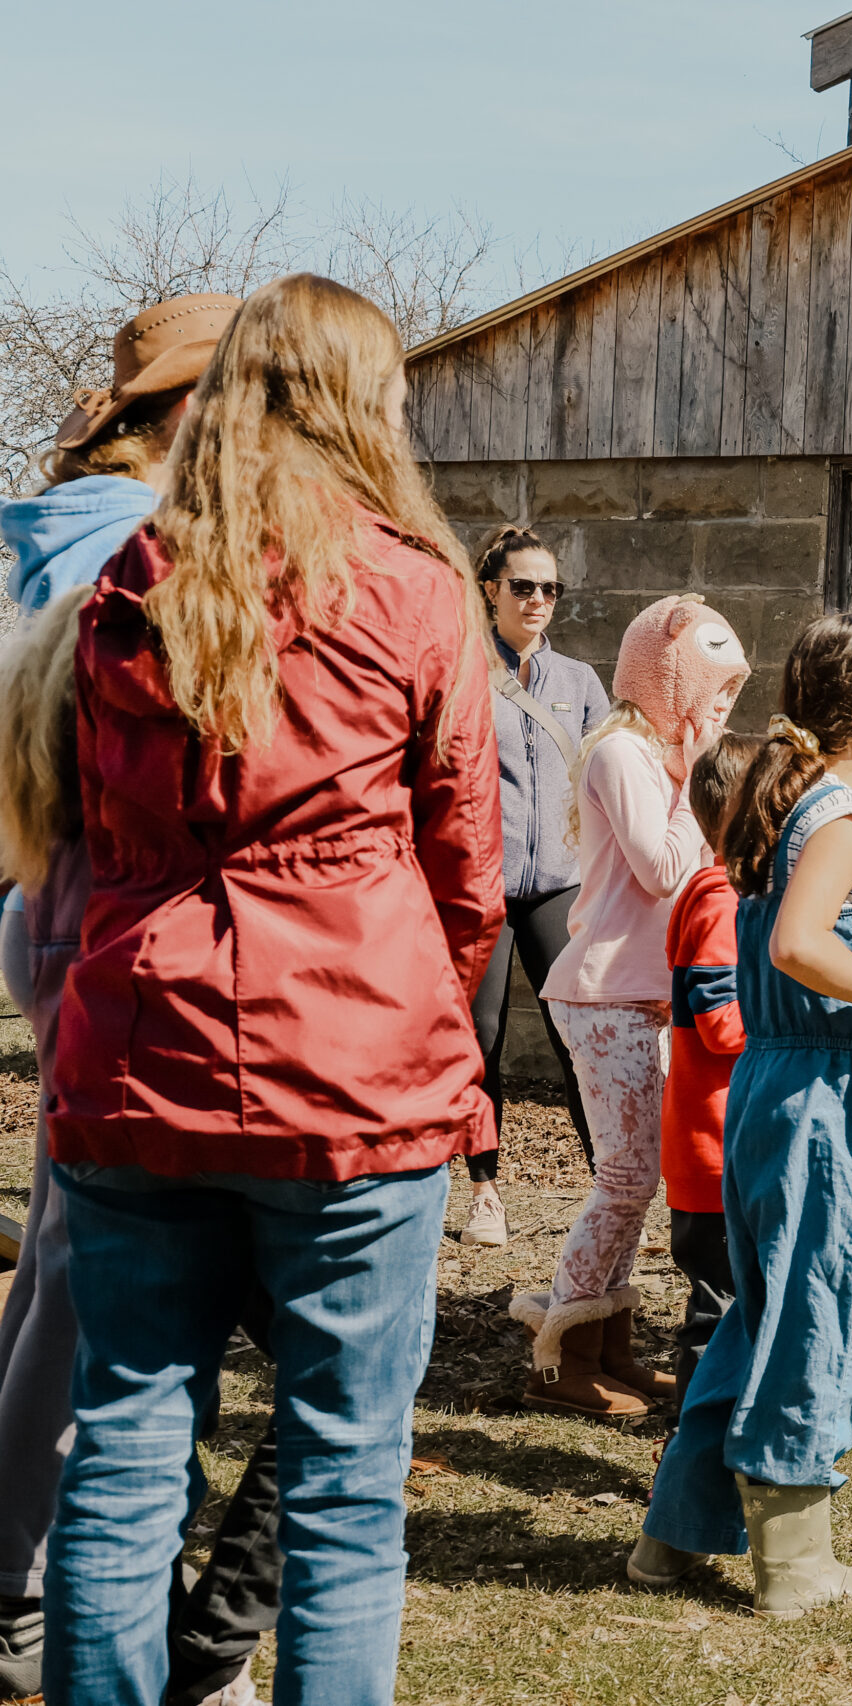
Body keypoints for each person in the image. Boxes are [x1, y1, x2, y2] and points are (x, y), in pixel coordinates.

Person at [39, 273, 503, 1704]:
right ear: (366, 405)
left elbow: (84, 811)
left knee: (121, 1448)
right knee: (347, 1484)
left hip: (138, 1055)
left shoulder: (134, 579)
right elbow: (468, 867)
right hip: (357, 1082)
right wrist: (423, 1013)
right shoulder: (417, 588)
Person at [0, 292, 289, 1706]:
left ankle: (21, 1566)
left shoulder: (37, 536)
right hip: (113, 910)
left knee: (63, 1259)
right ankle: (22, 1586)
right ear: (187, 415)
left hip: (52, 906)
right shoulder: (125, 551)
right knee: (98, 1291)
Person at [625, 614, 852, 1618]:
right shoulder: (846, 814)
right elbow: (799, 946)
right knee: (830, 1316)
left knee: (761, 1315)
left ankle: (674, 1533)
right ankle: (796, 1562)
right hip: (827, 1100)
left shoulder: (790, 793)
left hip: (778, 1087)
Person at [513, 594, 748, 1420]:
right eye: (713, 690)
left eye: (731, 694)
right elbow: (661, 868)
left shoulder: (666, 762)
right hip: (605, 989)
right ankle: (557, 1356)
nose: (722, 710)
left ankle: (607, 1343)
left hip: (649, 993)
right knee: (623, 1176)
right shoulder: (621, 753)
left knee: (641, 1176)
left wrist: (690, 772)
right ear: (668, 681)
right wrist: (697, 780)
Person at [464, 524, 612, 1246]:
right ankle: (485, 1190)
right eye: (523, 586)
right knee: (480, 1036)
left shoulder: (580, 681)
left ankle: (607, 1188)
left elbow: (605, 782)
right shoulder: (464, 671)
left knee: (576, 1033)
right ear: (490, 589)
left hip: (558, 882)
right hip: (482, 882)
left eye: (550, 588)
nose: (538, 600)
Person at [661, 733, 761, 1410]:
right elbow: (723, 1023)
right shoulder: (722, 901)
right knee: (719, 1302)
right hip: (714, 1150)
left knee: (728, 1296)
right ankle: (694, 1434)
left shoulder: (722, 892)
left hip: (719, 1145)